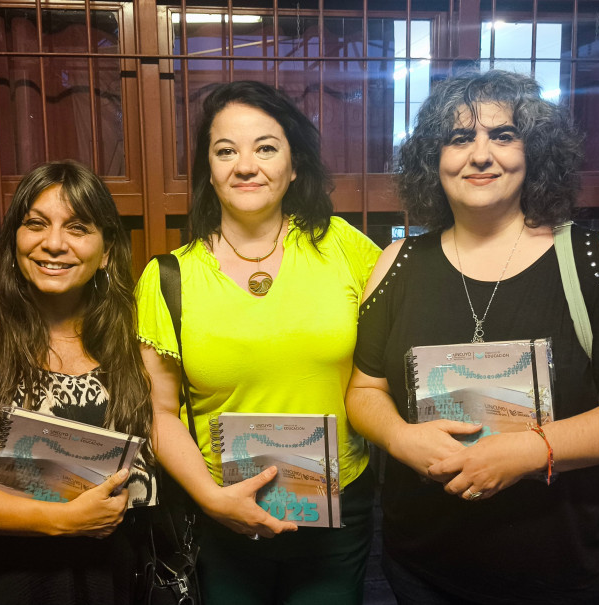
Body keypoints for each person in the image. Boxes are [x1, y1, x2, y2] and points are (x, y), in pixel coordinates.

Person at [346, 70, 599, 605]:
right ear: (434, 159)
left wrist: (525, 453)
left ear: (534, 152)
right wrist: (401, 439)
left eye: (502, 135)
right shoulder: (397, 265)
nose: (480, 155)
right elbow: (364, 392)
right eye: (459, 138)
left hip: (567, 574)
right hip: (425, 570)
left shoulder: (594, 259)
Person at [135, 80, 381, 605]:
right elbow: (160, 412)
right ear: (209, 170)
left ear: (294, 165)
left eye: (266, 147)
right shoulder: (168, 278)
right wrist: (211, 498)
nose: (246, 165)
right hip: (222, 513)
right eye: (226, 151)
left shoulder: (345, 248)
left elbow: (389, 360)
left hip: (337, 511)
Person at [0, 160, 154, 605]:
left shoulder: (132, 335)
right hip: (4, 579)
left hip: (111, 576)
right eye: (36, 224)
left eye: (77, 228)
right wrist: (61, 519)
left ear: (106, 252)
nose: (53, 244)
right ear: (15, 240)